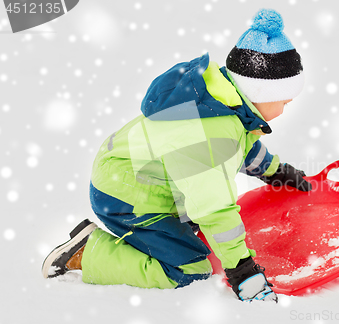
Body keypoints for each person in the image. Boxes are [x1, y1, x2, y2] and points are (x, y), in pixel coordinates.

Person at [42, 8, 311, 303]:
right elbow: (214, 210)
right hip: (126, 195)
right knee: (189, 268)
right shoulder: (212, 135)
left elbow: (244, 144)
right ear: (259, 91)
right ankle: (88, 252)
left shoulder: (224, 101)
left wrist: (274, 171)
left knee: (193, 228)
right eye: (284, 100)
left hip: (135, 175)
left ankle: (160, 231)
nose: (286, 109)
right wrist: (243, 271)